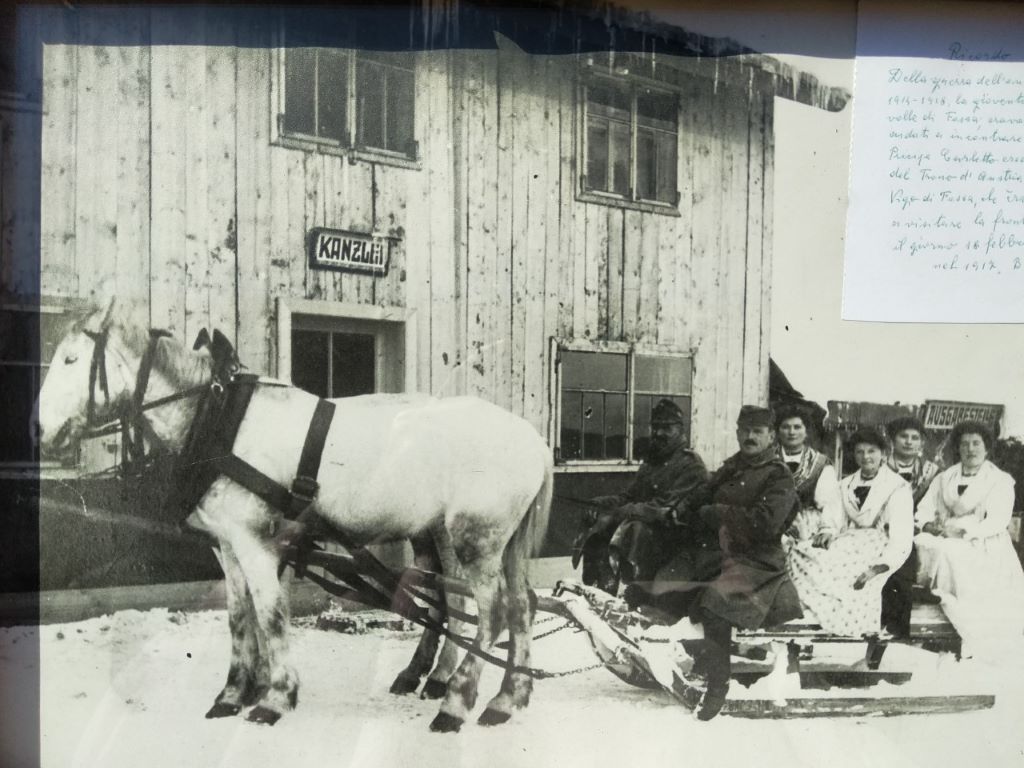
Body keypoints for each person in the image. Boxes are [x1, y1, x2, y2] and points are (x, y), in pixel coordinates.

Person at [632, 404, 802, 720]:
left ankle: (717, 685)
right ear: (737, 433)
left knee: (714, 604)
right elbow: (702, 493)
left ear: (770, 436)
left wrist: (718, 513)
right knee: (663, 584)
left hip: (757, 561)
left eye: (758, 432)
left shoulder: (778, 476)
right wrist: (679, 509)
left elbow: (765, 525)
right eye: (745, 430)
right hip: (719, 553)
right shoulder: (733, 467)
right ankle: (690, 657)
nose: (750, 437)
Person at [571, 399, 708, 595]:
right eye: (656, 427)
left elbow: (663, 510)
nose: (659, 433)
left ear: (680, 430)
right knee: (599, 524)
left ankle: (631, 592)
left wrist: (622, 512)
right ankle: (600, 590)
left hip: (673, 542)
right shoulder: (652, 463)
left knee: (633, 528)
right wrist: (600, 504)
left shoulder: (691, 465)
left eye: (667, 428)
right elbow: (629, 496)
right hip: (648, 536)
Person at [786, 427, 914, 636]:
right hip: (849, 541)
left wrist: (879, 567)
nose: (866, 457)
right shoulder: (845, 485)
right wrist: (828, 530)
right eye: (859, 452)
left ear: (883, 453)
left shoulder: (897, 487)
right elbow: (832, 517)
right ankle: (818, 607)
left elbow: (901, 537)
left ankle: (842, 615)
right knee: (804, 551)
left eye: (871, 451)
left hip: (880, 544)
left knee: (849, 572)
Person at [914, 420, 1024, 659]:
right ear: (958, 448)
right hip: (945, 534)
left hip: (984, 540)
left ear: (987, 448)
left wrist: (966, 533)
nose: (970, 449)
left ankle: (970, 630)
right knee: (925, 544)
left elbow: (998, 520)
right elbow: (923, 510)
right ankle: (938, 605)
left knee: (954, 553)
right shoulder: (945, 478)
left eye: (976, 443)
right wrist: (930, 526)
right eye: (964, 444)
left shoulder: (999, 480)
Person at [883, 415, 942, 635]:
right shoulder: (880, 465)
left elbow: (934, 505)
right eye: (903, 436)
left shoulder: (932, 472)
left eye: (914, 437)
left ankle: (899, 628)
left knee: (906, 558)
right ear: (892, 440)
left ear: (922, 442)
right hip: (883, 526)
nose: (909, 442)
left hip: (916, 529)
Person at [775, 405, 841, 543]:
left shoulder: (820, 464)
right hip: (773, 522)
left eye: (797, 427)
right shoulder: (768, 459)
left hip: (808, 526)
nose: (791, 432)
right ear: (778, 431)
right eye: (785, 427)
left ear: (806, 431)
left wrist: (827, 529)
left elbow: (829, 504)